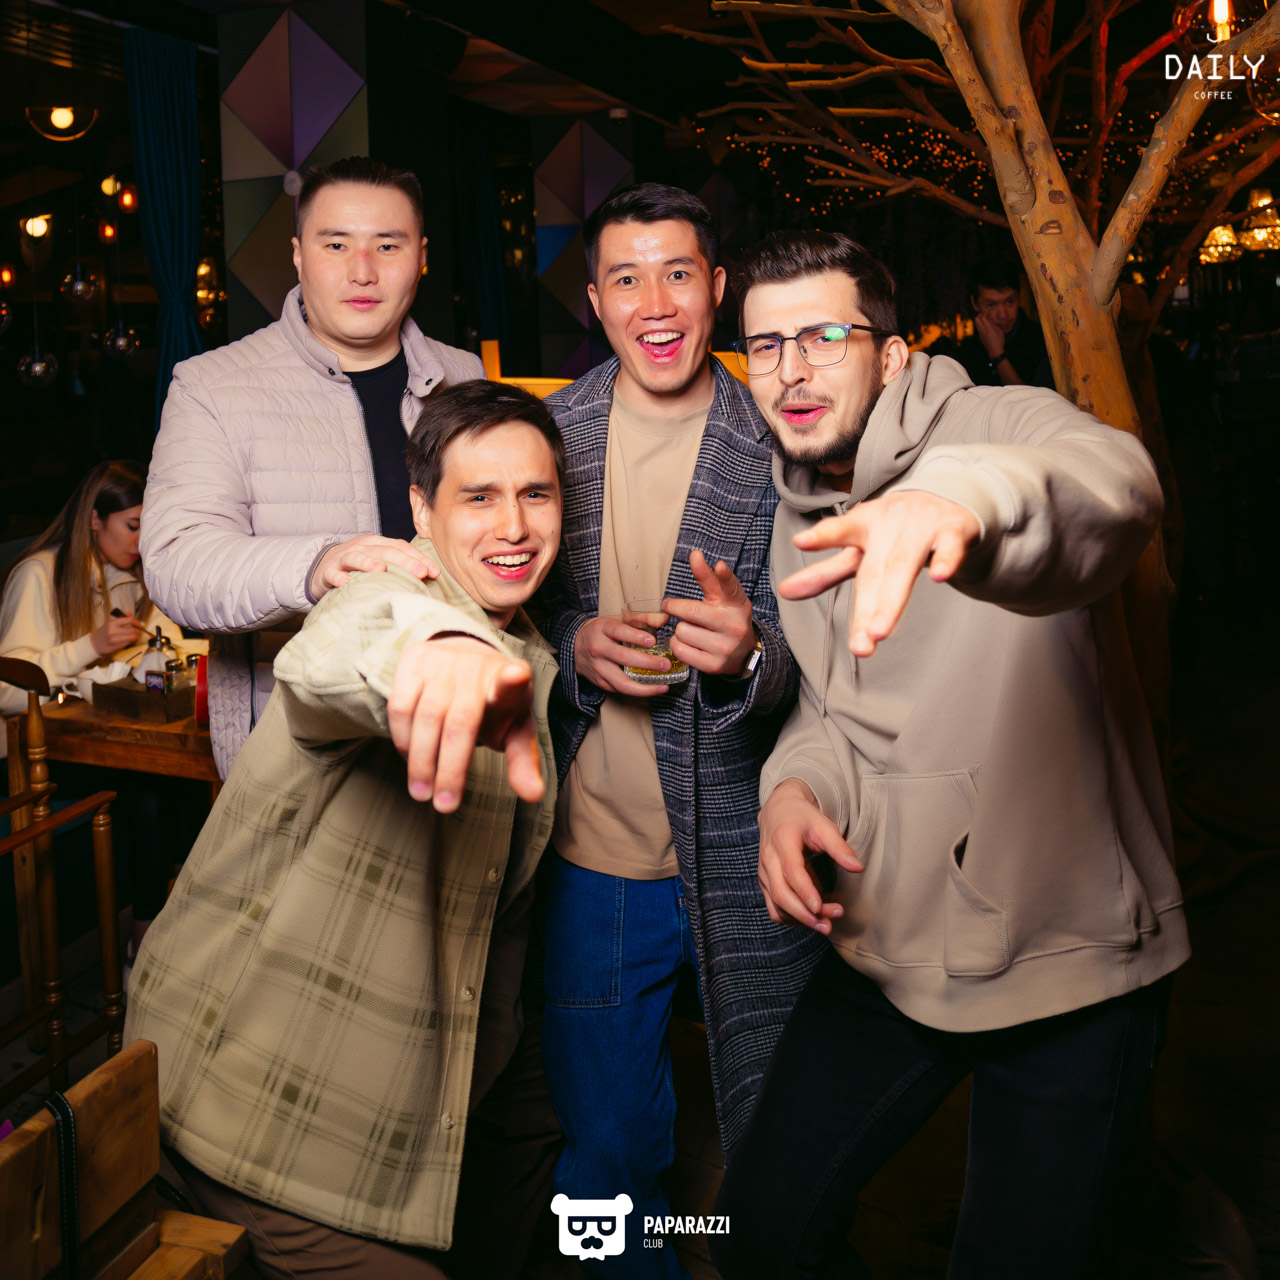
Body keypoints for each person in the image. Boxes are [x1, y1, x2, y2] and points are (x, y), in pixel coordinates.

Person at [710, 231, 1188, 1279]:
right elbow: (833, 710)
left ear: (889, 355)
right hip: (889, 939)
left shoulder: (989, 423)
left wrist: (957, 502)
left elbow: (1111, 481)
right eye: (764, 345)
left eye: (823, 336)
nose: (789, 370)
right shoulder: (800, 512)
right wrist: (792, 788)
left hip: (1066, 959)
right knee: (753, 1235)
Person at [125, 380, 567, 1280]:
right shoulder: (388, 601)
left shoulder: (531, 655)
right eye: (479, 497)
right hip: (250, 1118)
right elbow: (347, 648)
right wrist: (438, 651)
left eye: (536, 493)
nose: (515, 526)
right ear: (422, 511)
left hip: (410, 1099)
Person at [535, 183, 820, 1274]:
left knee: (779, 1149)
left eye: (678, 274)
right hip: (596, 856)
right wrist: (574, 644)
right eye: (625, 277)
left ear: (718, 286)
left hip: (751, 854)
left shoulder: (787, 439)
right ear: (595, 300)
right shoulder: (548, 437)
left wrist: (750, 654)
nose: (654, 304)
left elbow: (838, 660)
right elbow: (498, 603)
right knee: (606, 1155)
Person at [141, 155, 483, 778]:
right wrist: (317, 564)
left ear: (422, 256)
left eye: (388, 245)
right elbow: (176, 563)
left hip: (458, 728)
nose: (363, 270)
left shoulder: (465, 376)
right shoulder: (212, 386)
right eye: (336, 244)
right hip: (297, 755)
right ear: (298, 256)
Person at [0, 460, 196, 945]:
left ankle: (183, 917)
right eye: (132, 526)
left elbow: (168, 646)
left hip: (91, 740)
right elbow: (7, 689)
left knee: (188, 777)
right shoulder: (38, 575)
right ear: (94, 519)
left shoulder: (133, 576)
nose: (140, 542)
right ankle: (142, 943)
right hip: (26, 756)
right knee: (150, 789)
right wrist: (91, 646)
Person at [954, 254, 1052, 388]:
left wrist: (998, 356)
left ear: (1019, 297)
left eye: (1009, 302)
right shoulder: (967, 351)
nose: (1003, 314)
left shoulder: (1043, 341)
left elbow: (1032, 399)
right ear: (975, 303)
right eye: (991, 305)